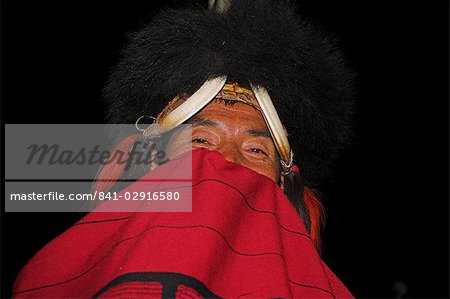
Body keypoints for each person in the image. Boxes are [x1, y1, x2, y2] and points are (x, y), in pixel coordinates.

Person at [13, 0, 355, 297]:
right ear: (150, 163)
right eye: (201, 141)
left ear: (284, 184)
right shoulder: (57, 276)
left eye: (256, 151)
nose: (226, 162)